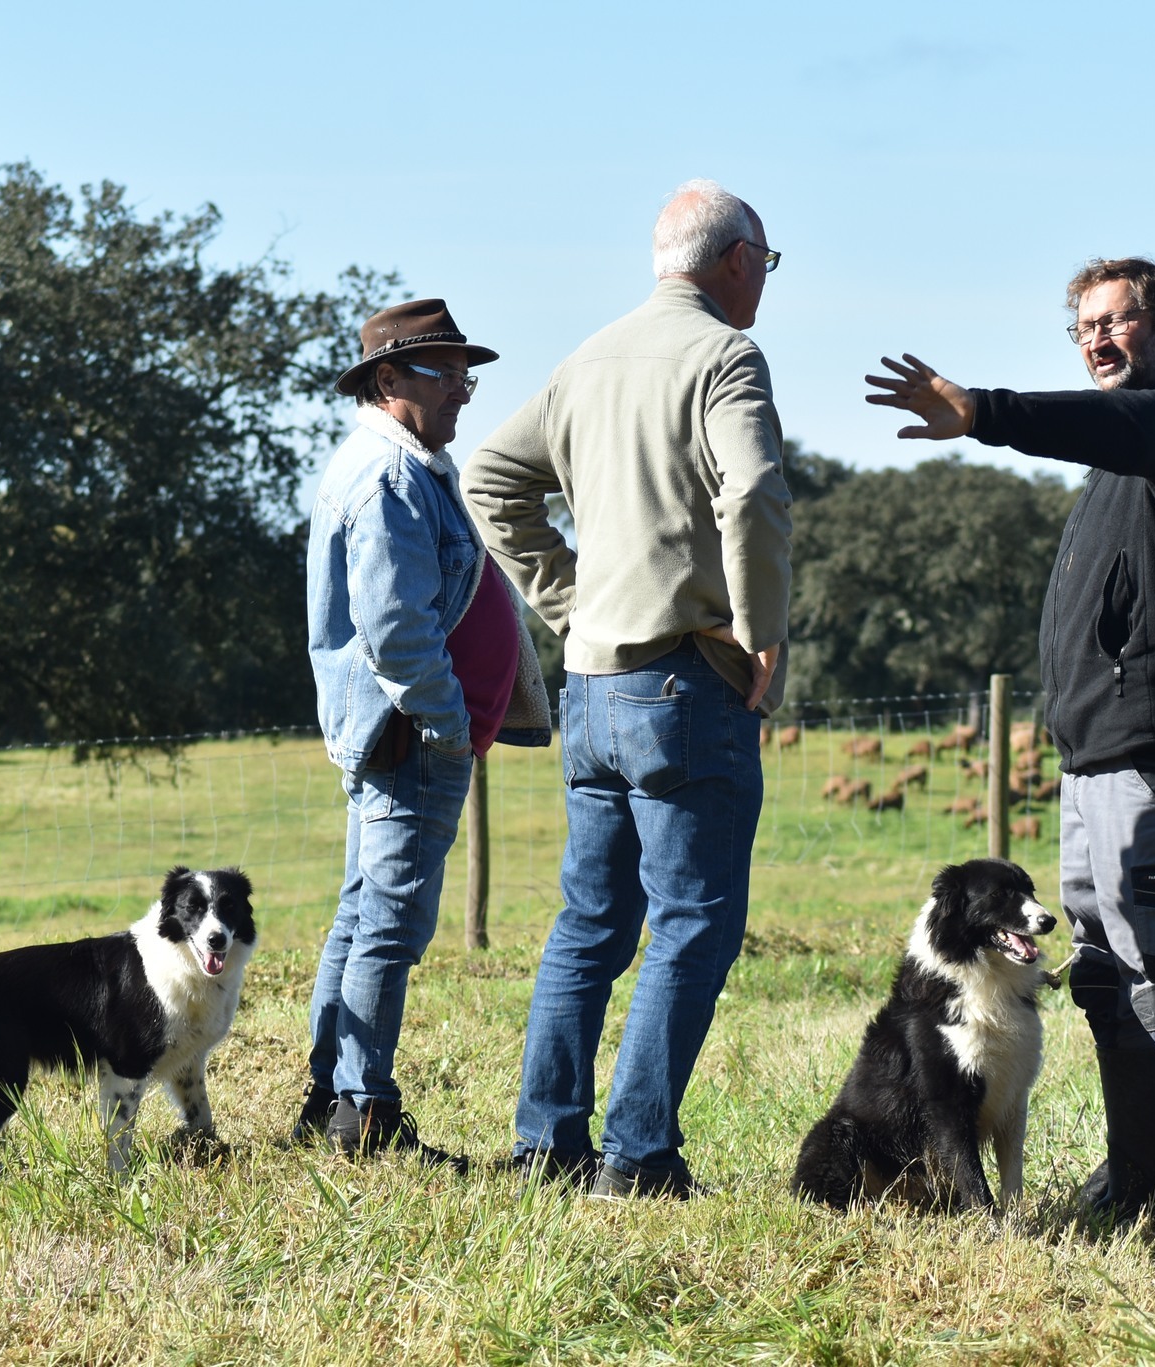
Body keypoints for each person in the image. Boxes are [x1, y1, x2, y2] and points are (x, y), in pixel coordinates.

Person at [865, 257, 1155, 1247]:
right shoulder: (1131, 453)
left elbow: (1120, 422)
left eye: (1115, 319)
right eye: (1080, 326)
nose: (1094, 338)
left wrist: (985, 410)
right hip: (1096, 757)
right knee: (1103, 968)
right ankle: (1143, 1174)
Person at [461, 179, 792, 1199]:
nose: (764, 286)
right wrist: (762, 633)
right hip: (684, 676)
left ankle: (545, 1143)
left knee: (588, 922)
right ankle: (637, 1155)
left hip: (590, 683)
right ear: (734, 259)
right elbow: (755, 493)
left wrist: (565, 598)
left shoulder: (587, 358)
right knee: (690, 919)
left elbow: (487, 478)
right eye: (767, 266)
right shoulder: (724, 356)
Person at [296, 299, 551, 1168]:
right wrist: (445, 725)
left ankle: (329, 1095)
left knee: (362, 913)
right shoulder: (391, 477)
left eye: (466, 375)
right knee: (389, 927)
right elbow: (397, 627)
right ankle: (364, 1111)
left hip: (402, 734)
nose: (464, 394)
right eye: (447, 375)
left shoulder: (400, 462)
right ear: (389, 378)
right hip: (410, 738)